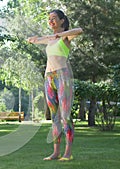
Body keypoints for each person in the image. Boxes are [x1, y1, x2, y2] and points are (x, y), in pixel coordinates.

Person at [27, 9, 83, 161]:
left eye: (54, 18)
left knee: (65, 116)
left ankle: (68, 153)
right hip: (48, 78)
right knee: (55, 118)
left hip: (62, 76)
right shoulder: (50, 38)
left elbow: (79, 30)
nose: (50, 21)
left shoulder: (65, 37)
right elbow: (39, 39)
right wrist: (34, 39)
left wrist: (61, 34)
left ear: (62, 20)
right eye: (49, 19)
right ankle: (56, 152)